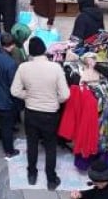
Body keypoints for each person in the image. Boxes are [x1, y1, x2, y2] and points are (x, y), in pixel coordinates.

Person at [11, 37, 71, 188]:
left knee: (32, 144)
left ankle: (32, 173)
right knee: (51, 145)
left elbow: (15, 91)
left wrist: (29, 96)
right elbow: (65, 95)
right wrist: (54, 100)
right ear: (44, 49)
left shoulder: (23, 67)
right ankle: (51, 179)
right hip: (51, 113)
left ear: (30, 52)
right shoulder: (56, 68)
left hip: (31, 112)